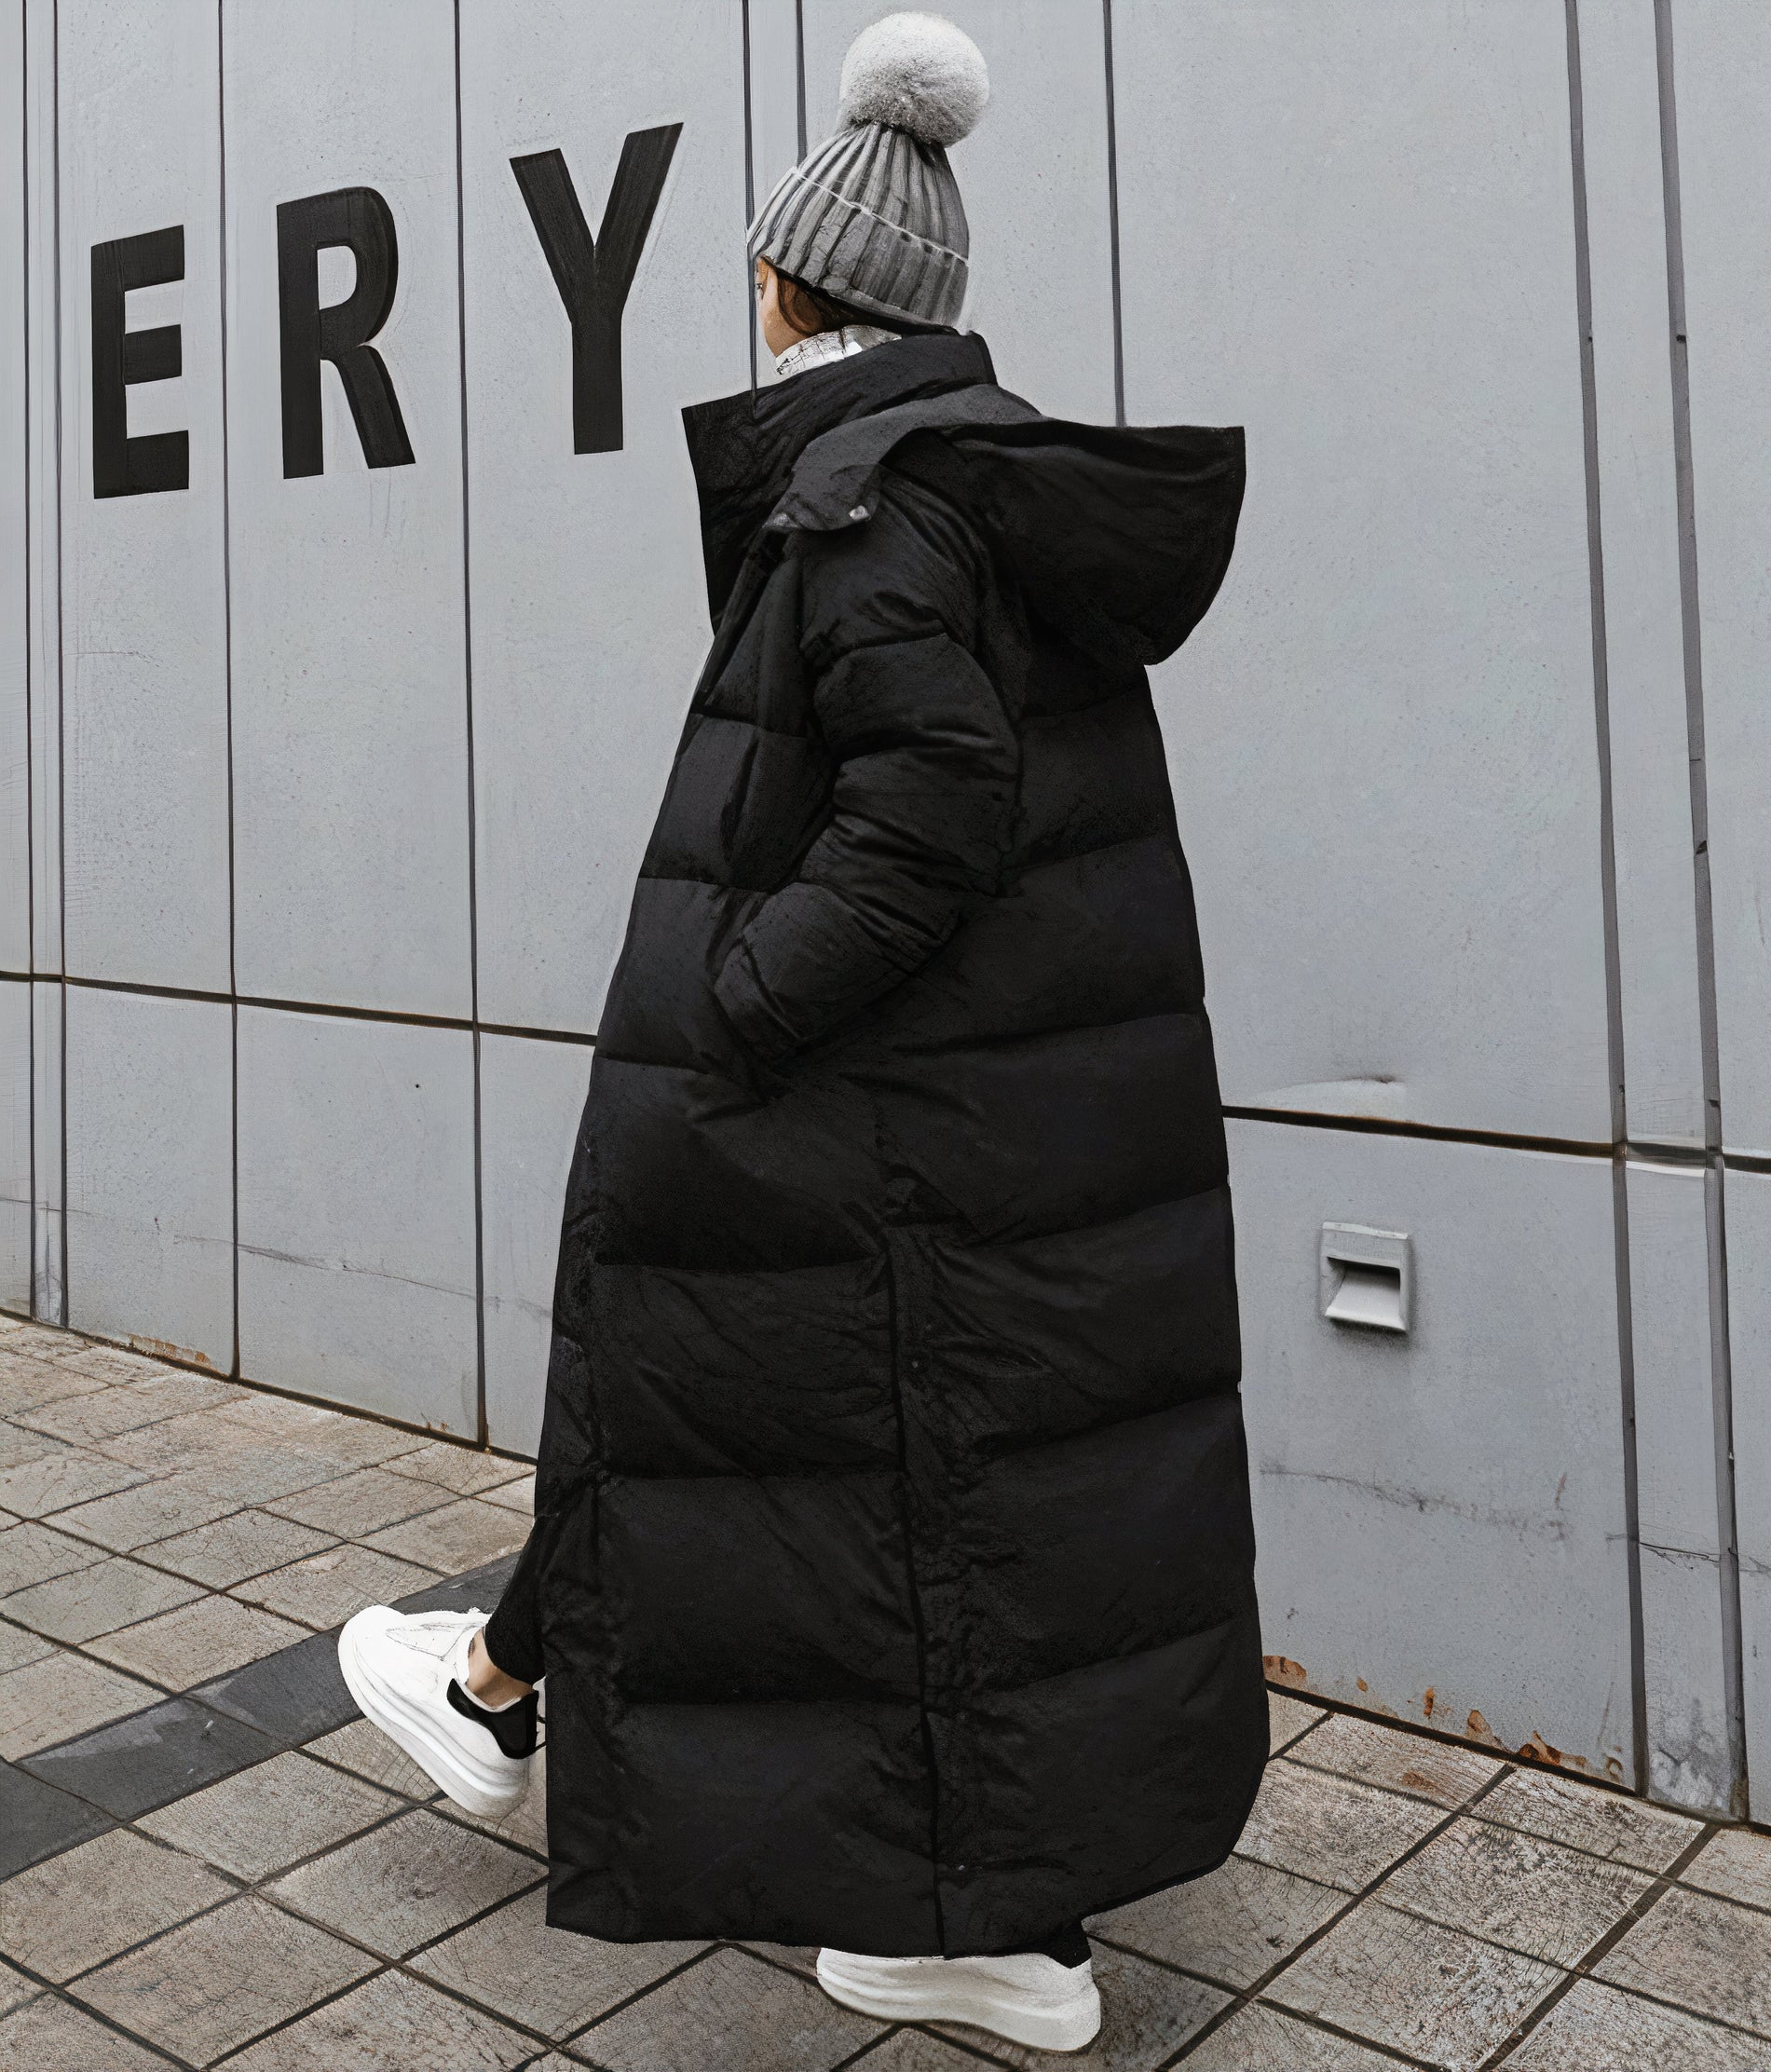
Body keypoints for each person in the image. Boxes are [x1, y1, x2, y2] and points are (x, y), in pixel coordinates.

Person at [337, 11, 1265, 2052]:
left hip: (890, 1107)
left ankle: (544, 1714)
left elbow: (932, 809)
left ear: (782, 286)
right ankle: (559, 1715)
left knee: (737, 1394)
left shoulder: (874, 510)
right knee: (915, 1476)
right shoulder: (974, 484)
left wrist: (744, 1005)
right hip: (986, 1112)